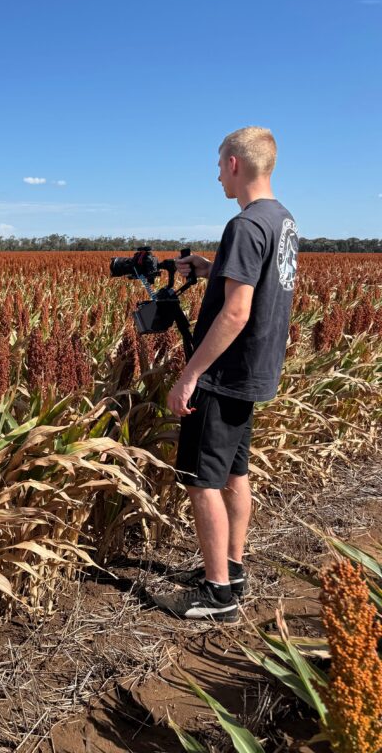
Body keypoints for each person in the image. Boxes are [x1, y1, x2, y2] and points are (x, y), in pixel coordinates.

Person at [151, 127, 299, 623]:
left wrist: (190, 375)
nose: (217, 174)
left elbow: (235, 313)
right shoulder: (281, 221)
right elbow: (256, 283)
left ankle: (217, 596)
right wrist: (210, 267)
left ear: (235, 164)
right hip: (254, 372)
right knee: (236, 472)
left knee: (201, 480)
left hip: (223, 373)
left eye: (219, 165)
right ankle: (232, 570)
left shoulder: (244, 224)